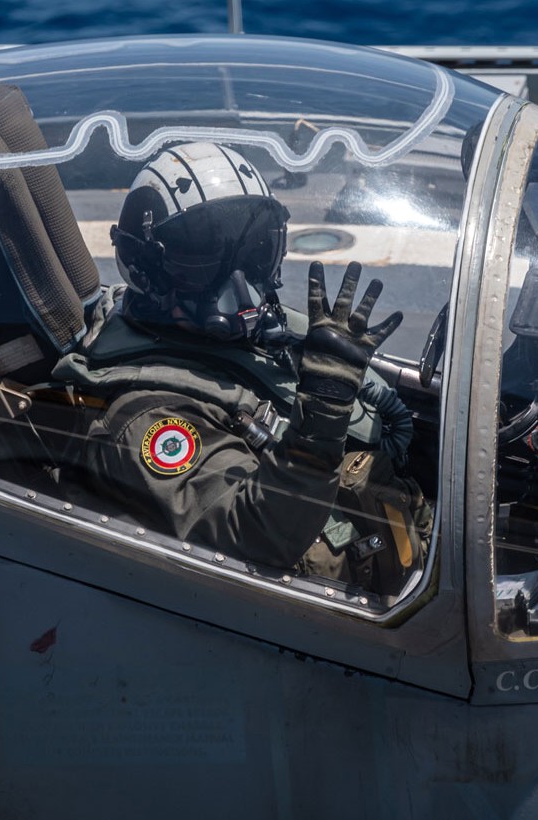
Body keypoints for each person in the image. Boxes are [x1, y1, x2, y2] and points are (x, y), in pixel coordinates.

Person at [51, 142, 427, 593]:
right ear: (146, 268)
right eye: (201, 257)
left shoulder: (258, 350)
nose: (239, 283)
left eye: (255, 253)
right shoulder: (143, 417)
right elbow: (249, 539)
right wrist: (318, 428)